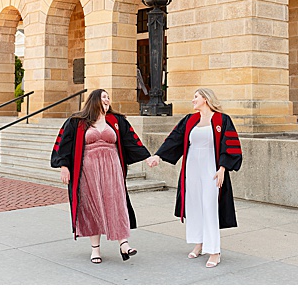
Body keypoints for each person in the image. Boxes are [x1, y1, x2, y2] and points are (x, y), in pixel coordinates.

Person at [50, 89, 152, 263]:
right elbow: (64, 144)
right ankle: (95, 250)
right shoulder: (77, 122)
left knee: (117, 202)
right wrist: (63, 166)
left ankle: (124, 244)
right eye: (104, 97)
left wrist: (147, 157)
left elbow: (132, 141)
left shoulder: (117, 120)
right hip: (88, 170)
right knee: (92, 206)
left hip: (112, 169)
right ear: (95, 100)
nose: (107, 100)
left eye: (108, 97)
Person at [146, 88, 243, 268]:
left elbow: (229, 144)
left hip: (211, 168)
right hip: (191, 168)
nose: (193, 100)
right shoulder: (190, 120)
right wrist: (158, 156)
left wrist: (223, 168)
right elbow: (174, 139)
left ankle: (214, 250)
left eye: (196, 97)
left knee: (209, 206)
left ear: (205, 99)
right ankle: (199, 243)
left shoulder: (222, 120)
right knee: (195, 205)